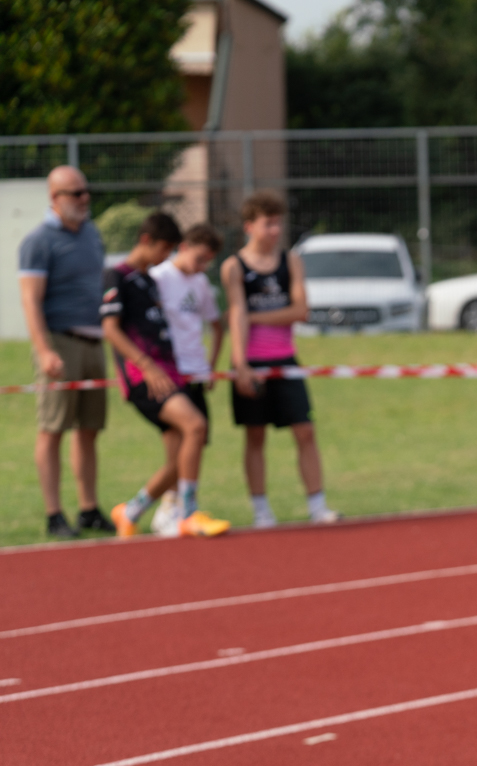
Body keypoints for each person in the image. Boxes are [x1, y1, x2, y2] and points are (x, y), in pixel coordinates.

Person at [101, 213, 230, 538]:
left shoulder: (150, 281)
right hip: (146, 376)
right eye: (164, 249)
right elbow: (111, 330)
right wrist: (145, 366)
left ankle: (130, 511)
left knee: (181, 458)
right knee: (196, 426)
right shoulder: (116, 276)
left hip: (173, 374)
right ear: (147, 240)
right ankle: (188, 513)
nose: (166, 257)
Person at [221, 191, 339, 527]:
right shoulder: (234, 267)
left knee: (305, 430)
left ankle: (317, 506)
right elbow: (236, 314)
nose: (275, 231)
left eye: (278, 224)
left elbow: (300, 310)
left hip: (285, 359)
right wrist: (241, 365)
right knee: (255, 435)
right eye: (268, 224)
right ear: (249, 226)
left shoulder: (291, 262)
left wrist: (256, 317)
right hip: (252, 361)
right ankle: (261, 510)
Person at [17, 166, 116, 538]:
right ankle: (54, 514)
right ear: (55, 198)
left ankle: (88, 508)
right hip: (60, 341)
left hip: (94, 342)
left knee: (89, 429)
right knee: (53, 428)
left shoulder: (91, 234)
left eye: (85, 191)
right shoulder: (38, 241)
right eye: (75, 193)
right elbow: (30, 300)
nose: (84, 198)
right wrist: (44, 350)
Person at [148, 224, 226, 535]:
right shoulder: (159, 277)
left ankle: (180, 504)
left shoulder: (201, 282)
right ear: (183, 247)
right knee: (177, 440)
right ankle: (168, 509)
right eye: (199, 258)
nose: (202, 266)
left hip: (195, 370)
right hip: (170, 370)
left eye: (208, 261)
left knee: (196, 440)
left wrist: (211, 366)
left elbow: (216, 324)